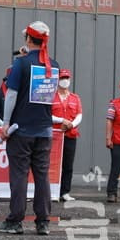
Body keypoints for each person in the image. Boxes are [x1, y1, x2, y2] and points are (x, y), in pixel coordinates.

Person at [0, 21, 59, 236]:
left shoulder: (20, 64)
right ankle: (43, 222)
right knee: (42, 176)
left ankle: (15, 221)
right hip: (44, 131)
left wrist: (5, 123)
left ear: (28, 39)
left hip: (21, 131)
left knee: (19, 176)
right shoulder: (54, 65)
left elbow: (11, 94)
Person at [51, 69, 82, 202]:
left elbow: (79, 115)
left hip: (70, 134)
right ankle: (52, 191)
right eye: (62, 78)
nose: (65, 80)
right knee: (52, 164)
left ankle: (65, 192)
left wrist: (71, 124)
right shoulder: (51, 96)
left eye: (67, 78)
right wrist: (60, 121)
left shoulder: (75, 98)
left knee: (68, 165)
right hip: (54, 135)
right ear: (58, 80)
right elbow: (46, 114)